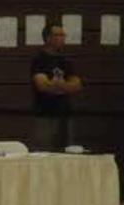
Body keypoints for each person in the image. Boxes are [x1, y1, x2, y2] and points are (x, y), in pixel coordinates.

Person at [30, 23, 83, 151]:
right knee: (44, 150)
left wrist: (57, 85)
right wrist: (65, 86)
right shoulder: (39, 59)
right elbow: (42, 85)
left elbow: (77, 85)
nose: (63, 38)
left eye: (63, 35)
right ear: (48, 38)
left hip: (65, 112)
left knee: (67, 150)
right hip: (45, 113)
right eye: (58, 35)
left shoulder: (65, 60)